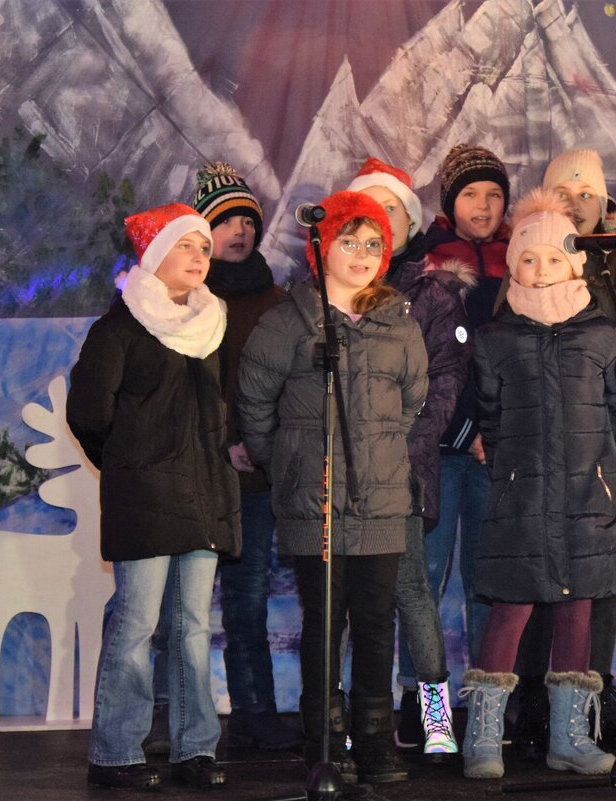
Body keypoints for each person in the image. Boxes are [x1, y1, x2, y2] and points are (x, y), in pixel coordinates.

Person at [236, 191, 427, 784]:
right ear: (322, 247)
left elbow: (412, 403)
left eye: (374, 244)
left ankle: (375, 742)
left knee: (376, 622)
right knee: (324, 623)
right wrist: (286, 463)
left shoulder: (399, 323)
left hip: (381, 499)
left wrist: (378, 456)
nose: (363, 254)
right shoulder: (287, 322)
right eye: (350, 241)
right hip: (314, 501)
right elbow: (254, 403)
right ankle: (325, 741)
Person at [460, 189, 616, 780]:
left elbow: (615, 412)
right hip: (525, 494)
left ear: (576, 263)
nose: (540, 270)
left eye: (553, 258)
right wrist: (509, 468)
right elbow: (490, 416)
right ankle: (483, 737)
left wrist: (605, 476)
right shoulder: (496, 338)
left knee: (577, 612)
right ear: (513, 266)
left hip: (589, 494)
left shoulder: (603, 333)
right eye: (528, 259)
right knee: (509, 609)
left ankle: (570, 737)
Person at [69, 202, 240, 790]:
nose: (199, 256)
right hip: (145, 495)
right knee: (137, 624)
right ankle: (115, 751)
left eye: (204, 248)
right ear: (156, 253)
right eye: (186, 245)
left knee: (193, 627)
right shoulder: (119, 328)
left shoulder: (211, 327)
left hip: (203, 495)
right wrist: (130, 465)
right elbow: (89, 412)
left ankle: (195, 749)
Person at [347, 156, 474, 755]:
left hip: (401, 470)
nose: (380, 221)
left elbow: (445, 383)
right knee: (348, 602)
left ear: (411, 221)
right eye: (369, 211)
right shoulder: (335, 292)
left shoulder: (433, 293)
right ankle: (350, 719)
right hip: (345, 475)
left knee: (413, 592)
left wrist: (399, 444)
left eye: (391, 210)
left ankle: (435, 720)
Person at [190, 161, 300, 751]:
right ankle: (203, 717)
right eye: (226, 220)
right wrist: (224, 440)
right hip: (206, 475)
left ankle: (271, 711)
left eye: (248, 221)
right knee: (207, 601)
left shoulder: (279, 301)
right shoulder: (187, 299)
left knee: (255, 595)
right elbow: (194, 389)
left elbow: (292, 386)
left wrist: (265, 444)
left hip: (266, 474)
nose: (240, 230)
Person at [419, 144, 512, 670]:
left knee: (486, 581)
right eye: (470, 194)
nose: (483, 205)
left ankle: (485, 702)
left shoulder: (521, 262)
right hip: (438, 449)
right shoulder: (426, 263)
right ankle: (425, 704)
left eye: (494, 194)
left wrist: (490, 431)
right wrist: (459, 429)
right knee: (426, 578)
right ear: (449, 202)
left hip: (491, 450)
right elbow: (428, 365)